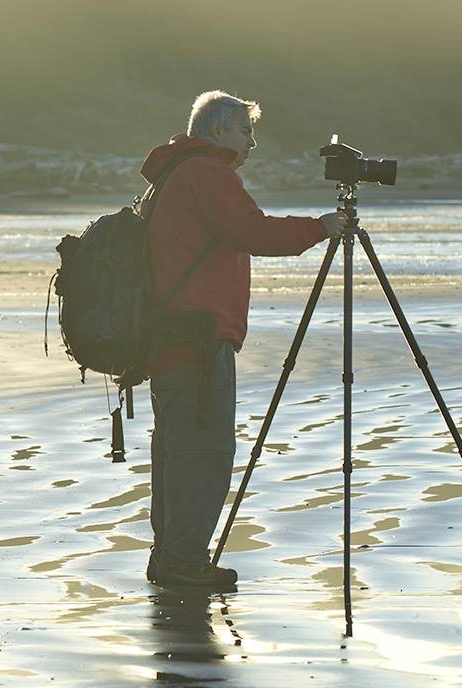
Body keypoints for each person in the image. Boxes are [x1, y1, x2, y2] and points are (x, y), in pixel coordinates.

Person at [140, 90, 347, 589]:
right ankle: (183, 562)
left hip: (171, 338)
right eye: (245, 131)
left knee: (176, 452)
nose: (253, 142)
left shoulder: (174, 173)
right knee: (202, 454)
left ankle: (171, 557)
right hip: (197, 339)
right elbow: (252, 232)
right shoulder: (206, 173)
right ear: (217, 131)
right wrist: (321, 227)